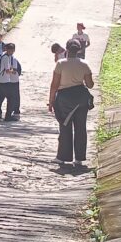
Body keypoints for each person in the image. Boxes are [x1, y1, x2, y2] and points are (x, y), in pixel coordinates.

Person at [48, 39, 94, 167]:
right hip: (80, 98)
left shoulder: (60, 64)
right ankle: (79, 158)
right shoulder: (84, 64)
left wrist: (51, 102)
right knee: (80, 127)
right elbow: (90, 85)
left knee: (65, 127)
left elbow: (54, 85)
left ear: (67, 49)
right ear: (79, 50)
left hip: (64, 99)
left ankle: (62, 157)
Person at [0, 43, 20, 122]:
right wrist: (14, 71)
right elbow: (7, 70)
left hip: (1, 81)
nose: (12, 52)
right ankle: (8, 116)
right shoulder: (6, 58)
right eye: (11, 50)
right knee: (11, 98)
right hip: (4, 81)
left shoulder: (5, 56)